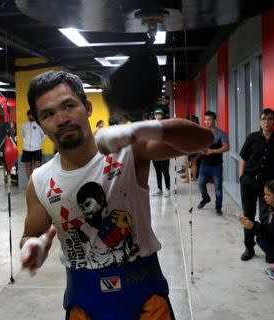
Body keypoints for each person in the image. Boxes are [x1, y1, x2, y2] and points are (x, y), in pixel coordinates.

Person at [19, 70, 213, 320]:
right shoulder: (40, 181)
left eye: (68, 105)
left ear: (87, 107)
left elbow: (203, 140)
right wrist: (32, 247)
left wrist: (139, 131)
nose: (61, 118)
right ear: (39, 122)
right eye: (48, 114)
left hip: (145, 293)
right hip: (84, 300)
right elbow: (29, 235)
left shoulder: (128, 150)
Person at [239, 108, 274, 261]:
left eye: (270, 119)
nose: (266, 122)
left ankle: (267, 248)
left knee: (266, 216)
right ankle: (249, 247)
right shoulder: (252, 137)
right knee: (248, 214)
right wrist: (241, 176)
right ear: (260, 121)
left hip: (268, 185)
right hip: (249, 182)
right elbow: (243, 158)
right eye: (263, 119)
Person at [239, 180, 274, 281]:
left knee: (262, 239)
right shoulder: (272, 209)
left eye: (268, 195)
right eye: (264, 194)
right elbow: (268, 230)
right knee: (261, 238)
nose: (264, 197)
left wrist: (253, 226)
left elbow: (271, 233)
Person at [196, 111, 229, 215]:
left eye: (209, 120)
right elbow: (199, 146)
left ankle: (218, 207)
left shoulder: (221, 134)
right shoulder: (202, 133)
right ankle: (205, 198)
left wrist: (213, 151)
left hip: (217, 165)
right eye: (205, 120)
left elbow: (227, 147)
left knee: (218, 188)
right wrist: (200, 150)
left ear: (214, 120)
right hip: (204, 164)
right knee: (200, 184)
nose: (207, 122)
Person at [151, 108, 171, 197]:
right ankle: (159, 189)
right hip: (155, 153)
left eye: (160, 114)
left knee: (165, 171)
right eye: (156, 115)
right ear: (154, 116)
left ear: (162, 116)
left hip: (164, 152)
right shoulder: (152, 126)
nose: (158, 116)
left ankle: (167, 188)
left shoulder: (166, 125)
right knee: (157, 172)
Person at [20, 110, 45, 180]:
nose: (32, 116)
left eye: (33, 115)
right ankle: (30, 184)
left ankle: (39, 183)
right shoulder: (24, 125)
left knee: (38, 167)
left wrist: (39, 142)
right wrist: (26, 142)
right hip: (26, 149)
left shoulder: (39, 125)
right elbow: (22, 135)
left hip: (37, 149)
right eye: (30, 115)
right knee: (28, 167)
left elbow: (44, 135)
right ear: (28, 116)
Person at [180, 115, 200, 182]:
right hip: (195, 148)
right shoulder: (198, 129)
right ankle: (193, 178)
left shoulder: (188, 129)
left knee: (187, 163)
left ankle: (187, 179)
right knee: (194, 163)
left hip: (188, 148)